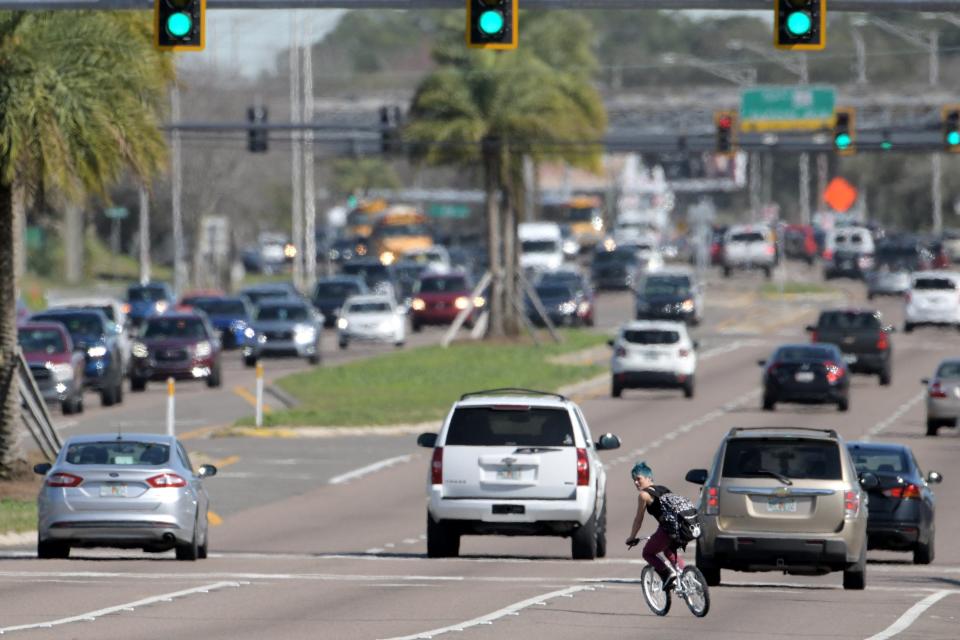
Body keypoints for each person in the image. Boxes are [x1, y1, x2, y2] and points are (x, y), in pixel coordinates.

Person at [625, 461, 684, 590]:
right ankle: (686, 577)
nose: (635, 482)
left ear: (649, 478)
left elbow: (638, 519)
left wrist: (631, 537)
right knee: (668, 550)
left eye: (638, 479)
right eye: (633, 480)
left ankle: (668, 574)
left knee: (647, 553)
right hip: (681, 527)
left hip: (668, 529)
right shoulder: (664, 489)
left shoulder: (644, 495)